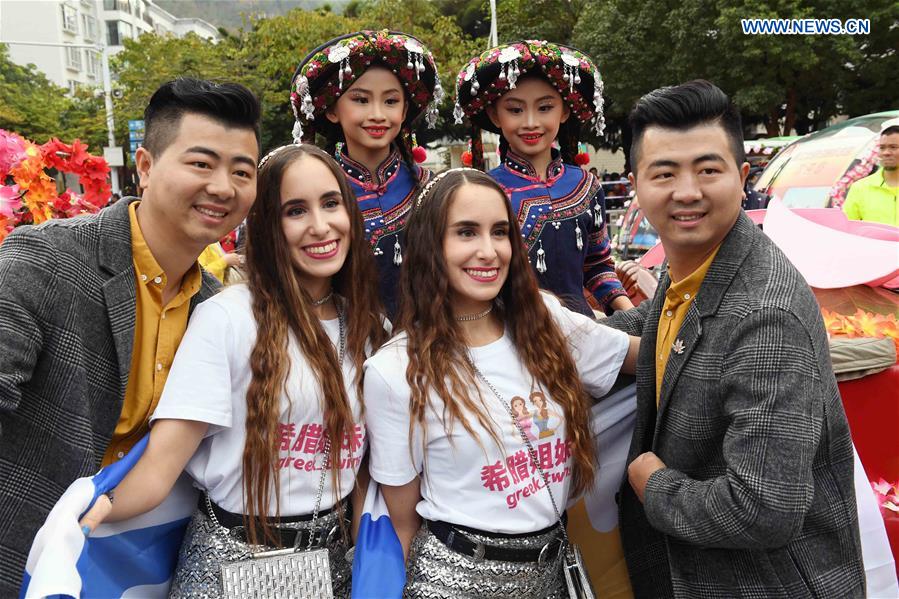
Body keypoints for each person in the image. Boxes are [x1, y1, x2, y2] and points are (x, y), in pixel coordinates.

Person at [79, 144, 389, 597]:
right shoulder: (226, 320)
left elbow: (363, 470)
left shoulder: (368, 325)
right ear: (267, 228)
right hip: (230, 570)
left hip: (332, 569)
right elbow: (160, 467)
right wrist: (77, 518)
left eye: (331, 203)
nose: (320, 226)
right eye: (295, 210)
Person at [603, 80, 865, 597]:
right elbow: (654, 321)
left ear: (742, 178)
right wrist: (543, 335)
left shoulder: (767, 315)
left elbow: (764, 509)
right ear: (636, 184)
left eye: (707, 170)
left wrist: (652, 485)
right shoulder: (700, 267)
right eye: (664, 173)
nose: (687, 192)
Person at [0, 78, 260, 595]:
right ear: (144, 166)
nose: (223, 188)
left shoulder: (216, 308)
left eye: (242, 172)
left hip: (135, 564)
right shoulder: (47, 261)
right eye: (201, 164)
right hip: (22, 551)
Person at [363, 168, 639, 597]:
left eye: (500, 232)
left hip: (554, 571)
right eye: (466, 233)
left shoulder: (545, 322)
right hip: (454, 582)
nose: (489, 251)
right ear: (429, 245)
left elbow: (646, 358)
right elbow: (403, 523)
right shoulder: (393, 371)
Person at [452, 40, 633, 317]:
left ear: (565, 111)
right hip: (511, 336)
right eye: (515, 110)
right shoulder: (483, 191)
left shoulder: (586, 186)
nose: (531, 122)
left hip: (586, 337)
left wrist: (634, 315)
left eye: (545, 108)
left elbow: (597, 266)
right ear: (494, 115)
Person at [289, 30, 443, 318]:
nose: (377, 114)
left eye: (391, 101)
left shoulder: (432, 188)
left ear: (405, 109)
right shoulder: (309, 191)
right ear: (332, 110)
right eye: (361, 100)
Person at [842, 123, 899, 226]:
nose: (886, 152)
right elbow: (846, 228)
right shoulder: (860, 188)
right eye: (882, 148)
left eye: (893, 147)